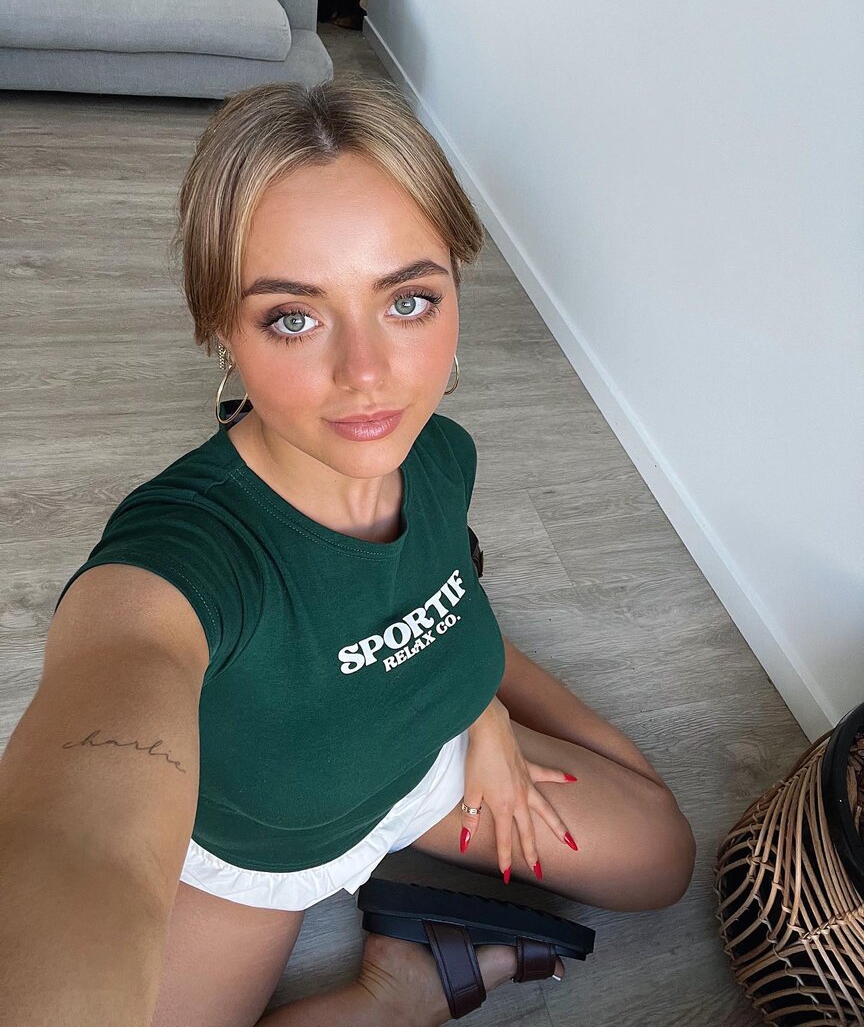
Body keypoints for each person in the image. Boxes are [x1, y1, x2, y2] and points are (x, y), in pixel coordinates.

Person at [0, 77, 696, 1027]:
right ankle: (399, 992)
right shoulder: (184, 558)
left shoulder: (442, 456)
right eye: (294, 316)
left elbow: (446, 584)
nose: (367, 375)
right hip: (260, 860)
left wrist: (484, 716)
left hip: (423, 770)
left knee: (663, 858)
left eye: (408, 301)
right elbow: (84, 839)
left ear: (455, 290)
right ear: (220, 328)